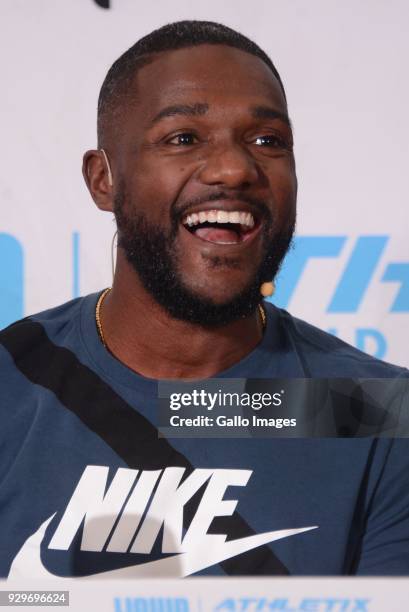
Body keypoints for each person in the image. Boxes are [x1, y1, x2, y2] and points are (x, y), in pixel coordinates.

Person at [1, 20, 408, 580]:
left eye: (268, 141)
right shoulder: (11, 384)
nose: (235, 169)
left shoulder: (378, 412)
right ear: (103, 180)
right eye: (183, 138)